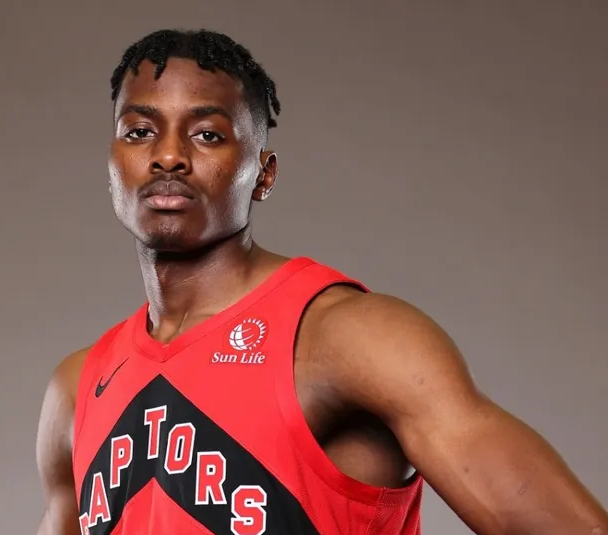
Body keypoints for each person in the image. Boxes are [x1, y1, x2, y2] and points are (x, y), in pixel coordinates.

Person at [35, 28, 607, 535]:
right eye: (139, 131)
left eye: (207, 135)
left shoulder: (351, 338)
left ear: (263, 174)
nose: (168, 156)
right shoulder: (78, 387)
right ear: (112, 163)